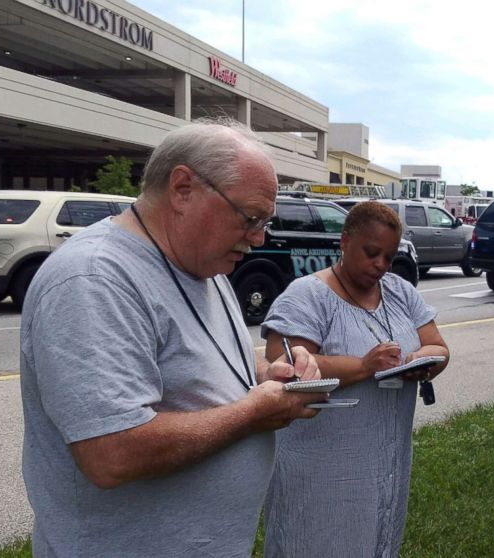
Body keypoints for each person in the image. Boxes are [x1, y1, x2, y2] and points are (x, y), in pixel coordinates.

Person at [20, 119, 328, 557]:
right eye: (250, 217)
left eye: (265, 221)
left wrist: (270, 372)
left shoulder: (204, 268)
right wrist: (255, 411)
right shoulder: (93, 279)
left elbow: (211, 360)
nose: (258, 238)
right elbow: (112, 452)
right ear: (183, 188)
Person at [261, 200, 450, 557]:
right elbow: (286, 366)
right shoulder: (308, 295)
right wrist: (365, 367)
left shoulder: (400, 292)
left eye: (389, 258)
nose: (380, 265)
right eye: (372, 252)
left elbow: (438, 346)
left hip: (385, 462)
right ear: (345, 241)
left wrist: (418, 361)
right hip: (321, 469)